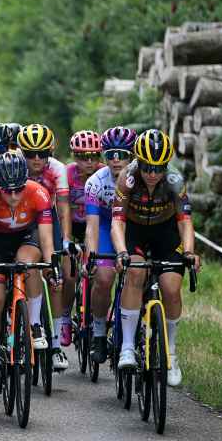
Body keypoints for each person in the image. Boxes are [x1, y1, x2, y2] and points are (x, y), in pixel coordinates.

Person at [112, 129, 196, 387]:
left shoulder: (174, 180)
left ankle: (171, 353)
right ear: (139, 161)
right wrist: (122, 253)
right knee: (135, 272)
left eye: (158, 168)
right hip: (135, 232)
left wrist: (190, 252)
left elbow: (185, 222)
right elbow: (117, 221)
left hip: (165, 233)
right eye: (147, 167)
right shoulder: (127, 178)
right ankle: (127, 346)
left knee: (171, 288)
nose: (151, 173)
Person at [0, 152, 55, 396]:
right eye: (6, 190)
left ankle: (34, 325)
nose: (12, 196)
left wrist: (51, 264)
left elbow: (46, 238)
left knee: (29, 264)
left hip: (26, 237)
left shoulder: (38, 193)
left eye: (18, 189)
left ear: (25, 183)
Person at [18, 123, 72, 371]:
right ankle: (25, 319)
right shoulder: (15, 166)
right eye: (30, 154)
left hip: (49, 218)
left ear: (50, 153)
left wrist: (67, 241)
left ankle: (56, 344)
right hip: (20, 219)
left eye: (42, 154)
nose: (36, 159)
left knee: (55, 275)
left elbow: (62, 207)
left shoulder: (57, 169)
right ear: (21, 153)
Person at [83, 126, 136, 364]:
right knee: (103, 278)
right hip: (105, 226)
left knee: (139, 275)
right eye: (110, 154)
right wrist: (91, 257)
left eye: (122, 154)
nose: (116, 160)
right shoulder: (95, 182)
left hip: (132, 227)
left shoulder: (141, 179)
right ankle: (99, 332)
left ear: (132, 156)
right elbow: (92, 226)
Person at [63, 129, 103, 346]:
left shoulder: (104, 173)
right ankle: (66, 318)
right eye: (82, 156)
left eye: (94, 156)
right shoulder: (68, 174)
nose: (88, 161)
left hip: (95, 225)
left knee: (97, 271)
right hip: (74, 225)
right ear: (74, 156)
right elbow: (64, 209)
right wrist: (67, 239)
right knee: (69, 275)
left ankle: (100, 313)